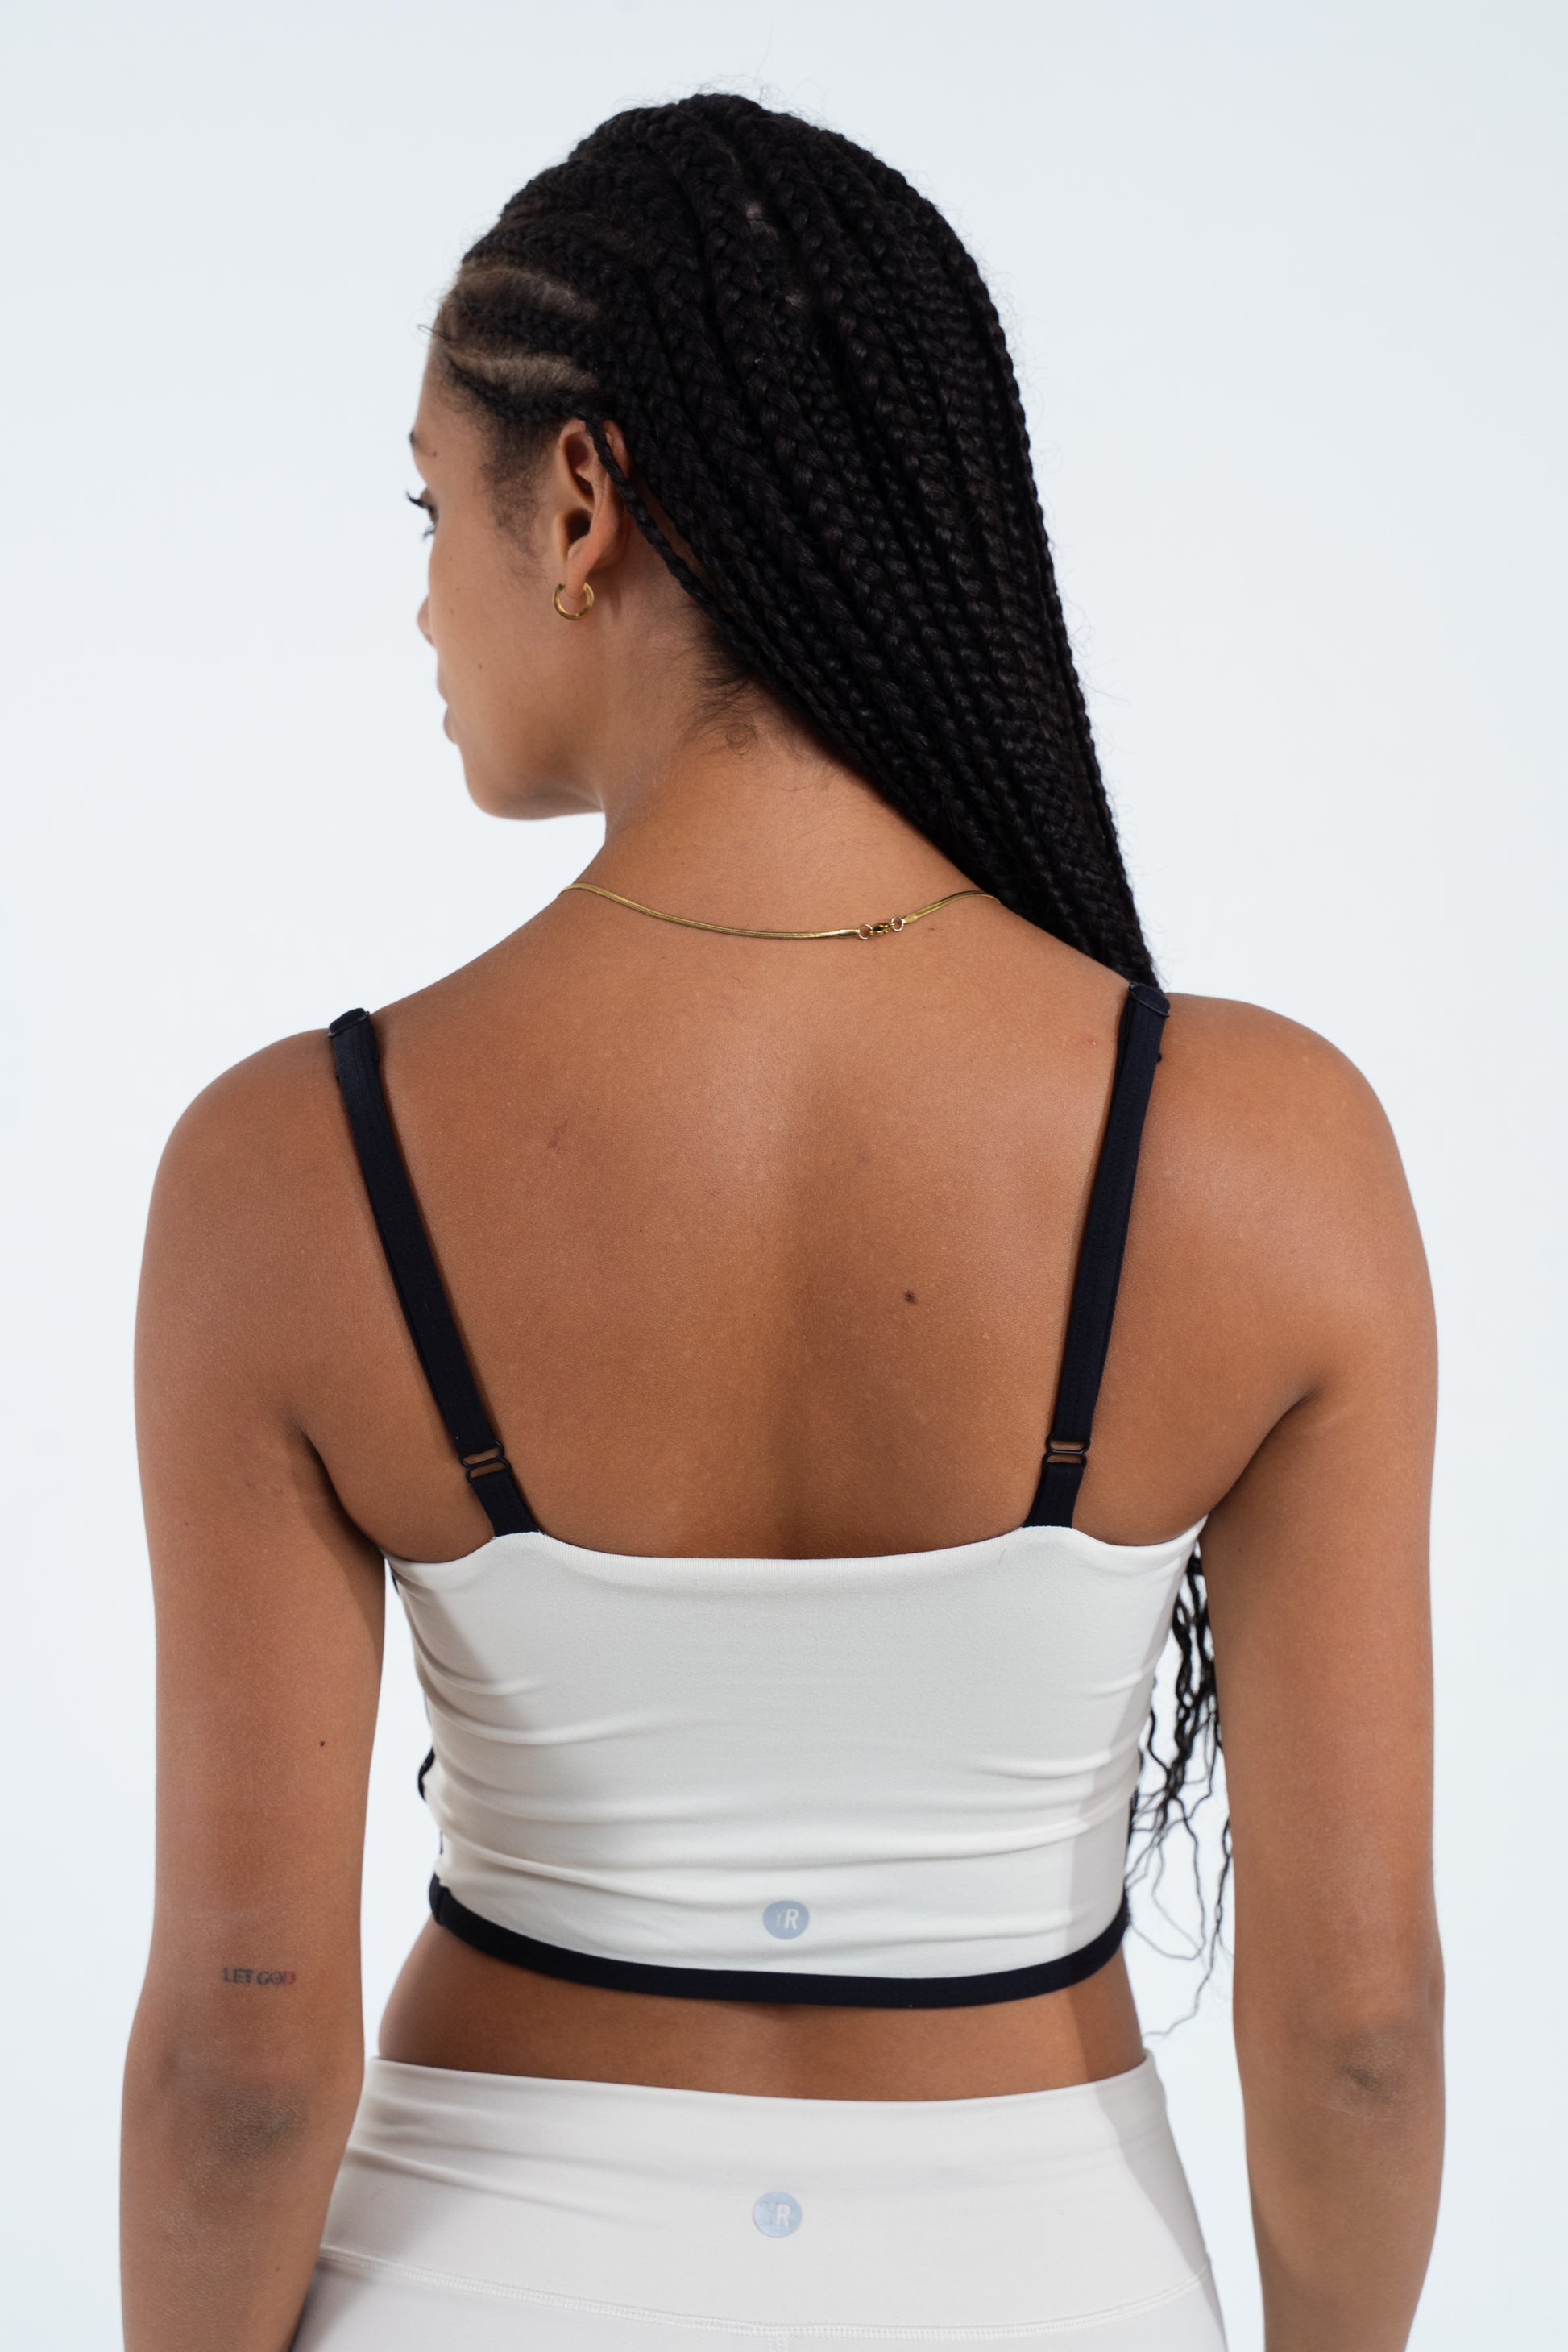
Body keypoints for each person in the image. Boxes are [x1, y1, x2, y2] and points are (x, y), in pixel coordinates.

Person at [119, 93, 1443, 2352]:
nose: (421, 591)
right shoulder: (1258, 1151)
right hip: (1045, 2287)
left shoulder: (291, 1171)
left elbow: (239, 2073)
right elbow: (1358, 2028)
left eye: (429, 505)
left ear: (578, 501)